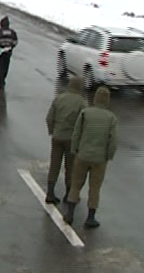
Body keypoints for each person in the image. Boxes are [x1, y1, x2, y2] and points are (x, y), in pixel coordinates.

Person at [63, 86, 118, 228]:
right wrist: (108, 155)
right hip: (99, 159)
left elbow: (76, 133)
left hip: (82, 155)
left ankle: (70, 214)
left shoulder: (85, 113)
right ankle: (90, 217)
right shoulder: (111, 118)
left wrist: (75, 149)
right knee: (95, 188)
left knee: (76, 184)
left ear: (95, 98)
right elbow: (113, 141)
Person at [45, 76, 87, 204]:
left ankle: (50, 193)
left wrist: (53, 131)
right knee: (70, 167)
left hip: (57, 137)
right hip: (71, 139)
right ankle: (68, 194)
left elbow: (49, 118)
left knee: (54, 165)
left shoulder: (59, 98)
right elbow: (84, 123)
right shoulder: (82, 102)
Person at [0, 16, 18, 90]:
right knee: (6, 66)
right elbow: (15, 42)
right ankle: (3, 78)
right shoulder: (12, 32)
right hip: (8, 52)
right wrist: (10, 46)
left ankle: (1, 81)